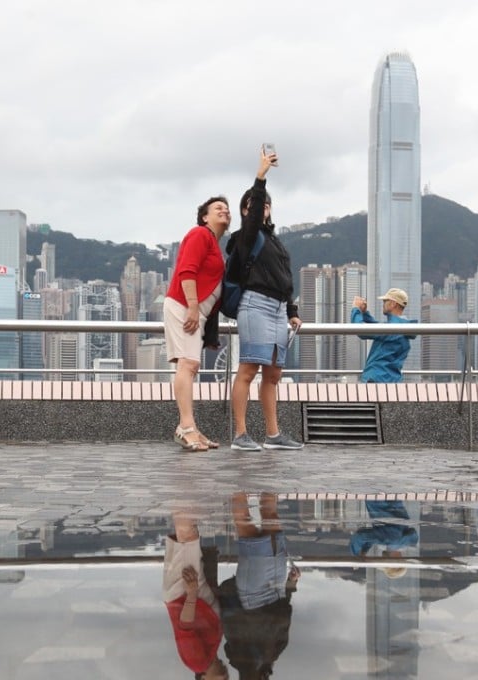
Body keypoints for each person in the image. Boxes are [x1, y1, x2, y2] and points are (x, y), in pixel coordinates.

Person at [227, 147, 303, 451]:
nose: (262, 208)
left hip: (278, 309)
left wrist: (292, 311)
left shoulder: (276, 242)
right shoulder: (245, 237)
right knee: (248, 370)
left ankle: (273, 435)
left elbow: (285, 278)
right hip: (255, 305)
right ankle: (240, 435)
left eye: (266, 204)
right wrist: (260, 177)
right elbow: (254, 211)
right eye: (256, 205)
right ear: (246, 210)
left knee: (273, 374)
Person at [164, 197, 230, 451]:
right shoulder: (200, 234)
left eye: (227, 209)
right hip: (184, 306)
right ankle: (186, 428)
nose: (225, 211)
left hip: (195, 312)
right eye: (218, 208)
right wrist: (192, 306)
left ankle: (191, 427)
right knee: (187, 364)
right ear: (204, 217)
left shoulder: (213, 244)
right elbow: (187, 270)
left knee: (190, 366)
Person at [219, 492, 299, 679]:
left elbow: (232, 623)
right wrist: (290, 584)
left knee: (245, 525)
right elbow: (283, 612)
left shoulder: (241, 659)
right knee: (272, 518)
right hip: (277, 588)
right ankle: (267, 477)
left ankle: (236, 482)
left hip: (254, 595)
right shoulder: (274, 654)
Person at [163, 510, 228, 679]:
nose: (226, 677)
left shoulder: (198, 663)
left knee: (186, 536)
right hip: (191, 592)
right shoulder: (210, 654)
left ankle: (184, 498)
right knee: (187, 536)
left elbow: (185, 628)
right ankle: (186, 502)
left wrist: (191, 594)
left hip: (184, 593)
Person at [351, 289, 417, 383]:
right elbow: (378, 327)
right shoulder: (401, 327)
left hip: (377, 379)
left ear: (393, 303)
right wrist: (365, 313)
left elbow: (360, 330)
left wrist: (355, 309)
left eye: (385, 301)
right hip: (390, 379)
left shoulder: (393, 329)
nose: (383, 304)